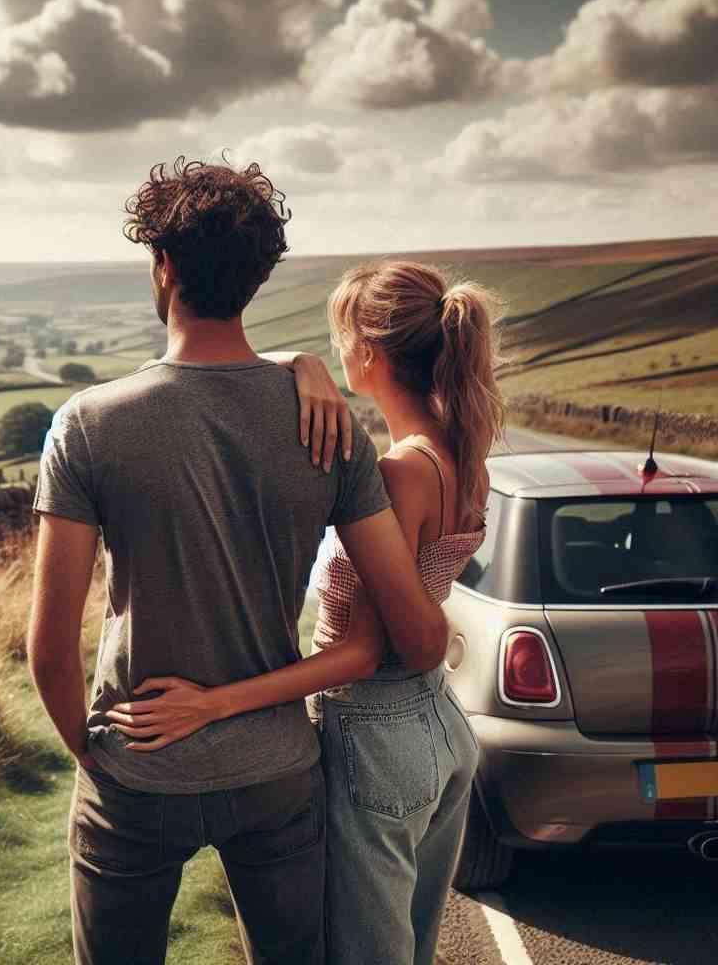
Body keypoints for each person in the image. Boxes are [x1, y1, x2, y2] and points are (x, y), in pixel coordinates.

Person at [26, 158, 449, 965]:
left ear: (165, 267)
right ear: (257, 278)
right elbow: (405, 623)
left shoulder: (88, 425)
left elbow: (48, 646)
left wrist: (92, 753)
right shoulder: (329, 428)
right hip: (278, 773)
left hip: (137, 765)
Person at [107, 260, 506, 964]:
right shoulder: (460, 452)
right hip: (441, 724)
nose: (334, 351)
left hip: (374, 734)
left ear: (369, 354)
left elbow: (359, 655)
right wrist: (298, 362)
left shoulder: (396, 475)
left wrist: (214, 704)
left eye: (337, 338)